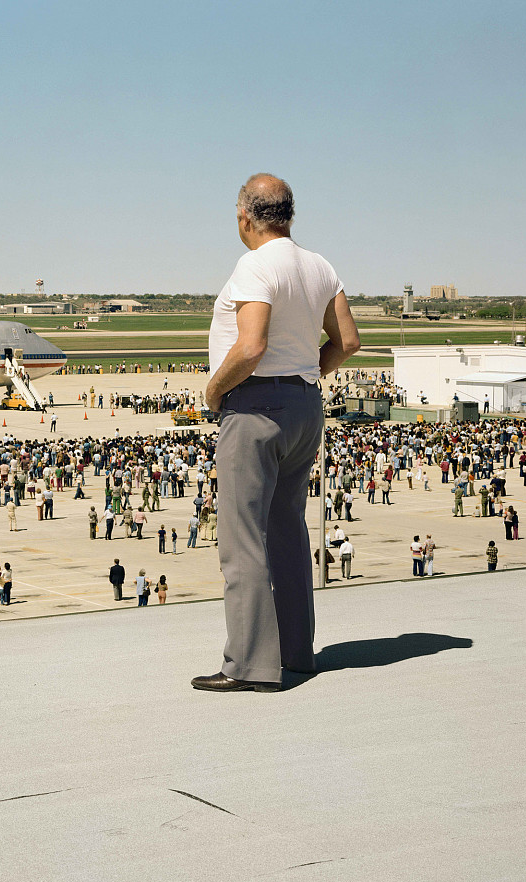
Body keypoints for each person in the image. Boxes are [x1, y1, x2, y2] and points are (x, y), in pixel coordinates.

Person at [193, 173, 360, 693]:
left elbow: (250, 346)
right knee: (288, 530)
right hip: (305, 404)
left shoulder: (255, 264)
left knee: (242, 538)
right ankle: (297, 653)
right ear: (289, 215)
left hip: (256, 405)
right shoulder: (319, 265)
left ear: (245, 218)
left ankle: (247, 665)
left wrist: (214, 392)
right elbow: (348, 341)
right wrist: (307, 372)